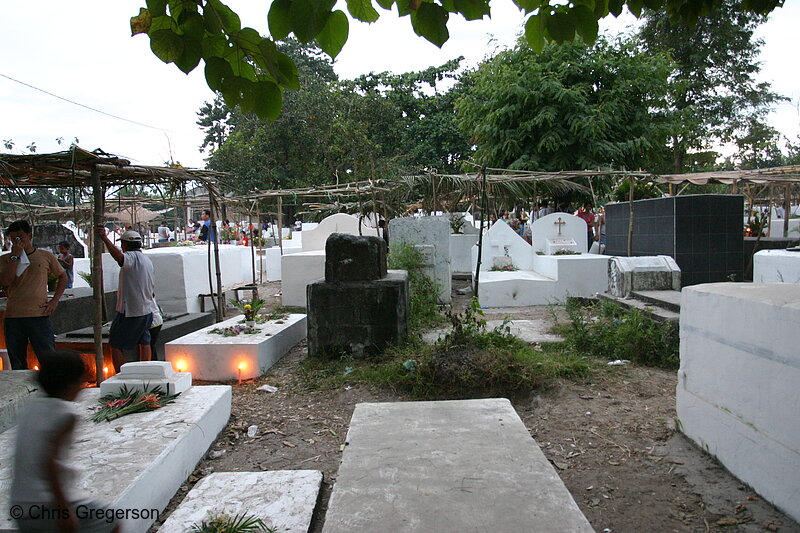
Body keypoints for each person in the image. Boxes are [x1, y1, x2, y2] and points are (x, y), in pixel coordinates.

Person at [11, 350, 121, 533]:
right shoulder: (65, 414)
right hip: (44, 505)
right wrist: (63, 510)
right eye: (81, 382)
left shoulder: (33, 406)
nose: (82, 388)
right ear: (69, 384)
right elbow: (49, 464)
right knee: (110, 520)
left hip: (19, 505)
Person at [0, 220, 67, 369]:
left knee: (47, 355)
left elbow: (62, 276)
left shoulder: (44, 256)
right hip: (14, 316)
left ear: (29, 236)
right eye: (13, 238)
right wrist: (15, 256)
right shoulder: (5, 260)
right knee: (17, 359)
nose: (18, 241)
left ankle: (52, 387)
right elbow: (6, 281)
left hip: (39, 314)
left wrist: (55, 301)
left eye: (20, 237)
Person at [96, 226, 157, 372]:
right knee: (144, 341)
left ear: (125, 245)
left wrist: (105, 238)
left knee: (115, 344)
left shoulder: (131, 257)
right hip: (146, 309)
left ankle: (121, 375)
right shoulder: (146, 260)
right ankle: (145, 371)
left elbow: (120, 258)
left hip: (131, 311)